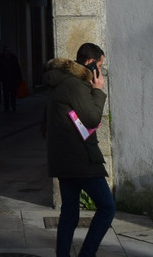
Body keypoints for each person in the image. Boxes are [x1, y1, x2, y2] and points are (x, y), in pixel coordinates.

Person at [45, 42, 116, 257]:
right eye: (100, 66)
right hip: (80, 159)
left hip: (64, 158)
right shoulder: (74, 84)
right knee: (107, 207)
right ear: (90, 63)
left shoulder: (61, 82)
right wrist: (98, 90)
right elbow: (92, 117)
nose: (100, 71)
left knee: (69, 213)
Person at [0, 45, 23, 111]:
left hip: (13, 79)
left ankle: (13, 105)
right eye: (7, 51)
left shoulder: (13, 57)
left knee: (13, 94)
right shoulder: (1, 58)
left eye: (9, 51)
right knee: (6, 94)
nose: (8, 52)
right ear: (4, 51)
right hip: (5, 79)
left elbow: (17, 68)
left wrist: (19, 78)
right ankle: (6, 107)